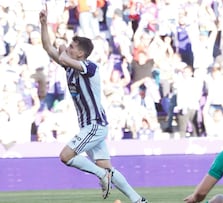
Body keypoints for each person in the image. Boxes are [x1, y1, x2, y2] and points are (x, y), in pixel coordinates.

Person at [39, 8, 148, 203]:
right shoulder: (70, 67)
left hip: (95, 124)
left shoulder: (90, 67)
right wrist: (43, 24)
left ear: (81, 53)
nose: (70, 47)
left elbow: (62, 56)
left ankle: (100, 175)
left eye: (73, 46)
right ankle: (138, 200)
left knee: (65, 156)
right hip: (90, 126)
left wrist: (63, 46)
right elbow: (48, 48)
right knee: (107, 168)